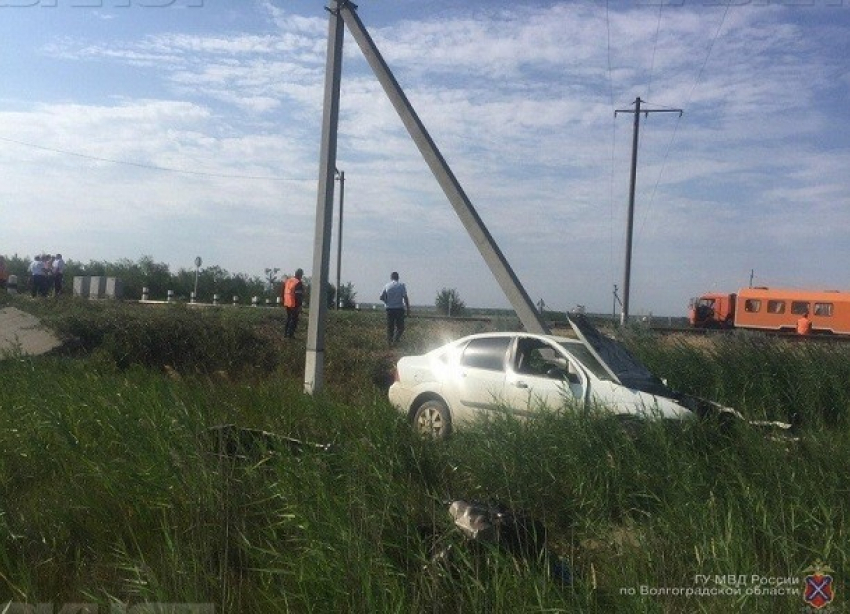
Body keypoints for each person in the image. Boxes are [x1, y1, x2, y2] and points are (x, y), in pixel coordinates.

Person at [380, 271, 410, 345]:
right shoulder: (401, 285)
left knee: (390, 327)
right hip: (399, 309)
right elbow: (405, 298)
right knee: (400, 327)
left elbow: (381, 297)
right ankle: (396, 340)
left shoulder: (387, 285)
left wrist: (386, 302)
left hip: (389, 309)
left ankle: (389, 343)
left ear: (391, 277)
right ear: (398, 277)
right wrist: (408, 309)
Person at [281, 268, 304, 339]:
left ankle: (285, 334)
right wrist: (299, 306)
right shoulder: (298, 282)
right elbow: (298, 295)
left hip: (287, 302)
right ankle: (290, 335)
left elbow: (283, 291)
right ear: (300, 275)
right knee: (294, 319)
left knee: (288, 318)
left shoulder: (288, 281)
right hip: (294, 303)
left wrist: (283, 300)